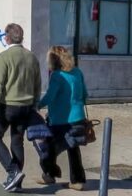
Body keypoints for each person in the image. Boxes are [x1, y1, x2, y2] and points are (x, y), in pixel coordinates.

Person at [0, 23, 41, 192]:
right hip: (26, 106)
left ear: (7, 37)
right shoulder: (31, 57)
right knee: (17, 141)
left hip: (7, 106)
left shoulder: (4, 57)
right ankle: (16, 182)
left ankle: (13, 171)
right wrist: (35, 104)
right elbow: (37, 84)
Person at [37, 46, 89, 191]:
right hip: (78, 117)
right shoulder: (77, 72)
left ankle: (49, 174)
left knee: (49, 148)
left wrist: (38, 104)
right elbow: (85, 94)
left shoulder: (57, 75)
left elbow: (50, 96)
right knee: (73, 149)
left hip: (61, 120)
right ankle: (77, 180)